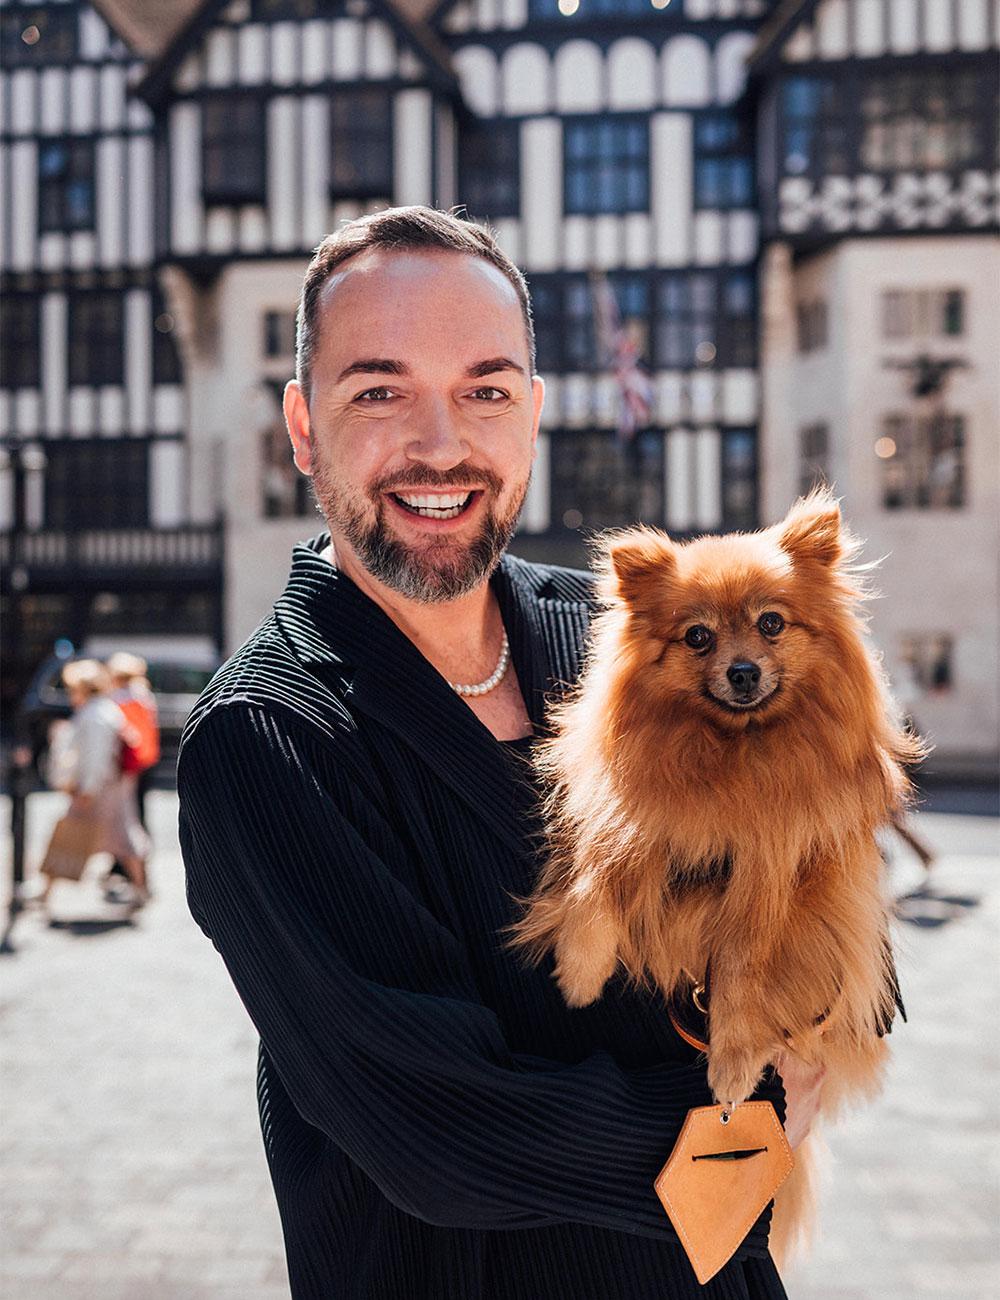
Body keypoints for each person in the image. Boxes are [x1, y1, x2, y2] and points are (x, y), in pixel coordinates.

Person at [177, 206, 824, 1299]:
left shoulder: (616, 641)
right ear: (301, 426)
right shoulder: (265, 738)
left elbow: (816, 857)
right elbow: (445, 1134)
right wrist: (751, 1108)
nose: (441, 444)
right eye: (378, 391)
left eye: (484, 390)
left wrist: (821, 997)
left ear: (531, 415)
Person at [41, 659, 150, 908]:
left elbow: (95, 756)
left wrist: (87, 788)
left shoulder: (95, 714)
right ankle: (141, 890)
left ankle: (46, 893)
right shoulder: (104, 709)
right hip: (109, 788)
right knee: (121, 838)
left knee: (70, 838)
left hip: (97, 791)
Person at [104, 652, 161, 899]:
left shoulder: (119, 699)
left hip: (125, 765)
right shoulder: (144, 696)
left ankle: (129, 867)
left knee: (126, 817)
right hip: (145, 761)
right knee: (137, 813)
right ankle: (129, 867)